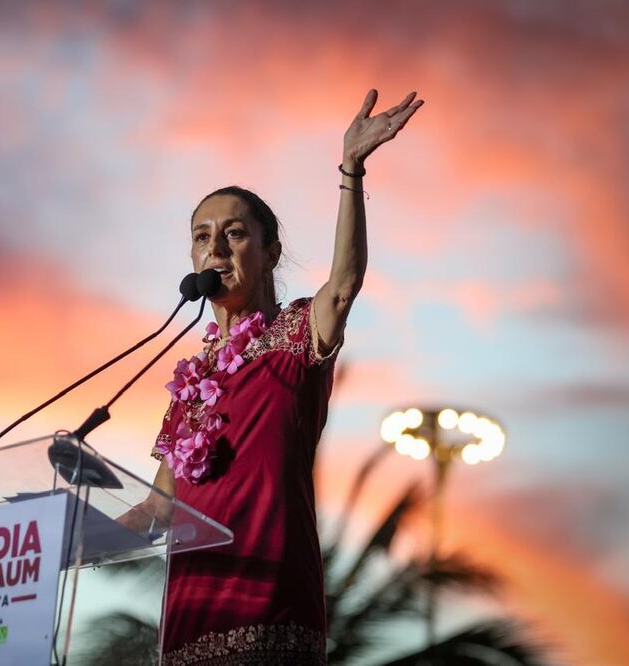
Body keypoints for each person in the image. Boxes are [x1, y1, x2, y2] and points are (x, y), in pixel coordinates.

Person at [130, 89, 423, 665]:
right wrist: (53, 534)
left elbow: (344, 285)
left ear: (269, 253)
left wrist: (351, 169)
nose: (215, 247)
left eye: (234, 233)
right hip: (188, 619)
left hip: (271, 612)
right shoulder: (190, 385)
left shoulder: (296, 336)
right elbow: (155, 512)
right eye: (201, 236)